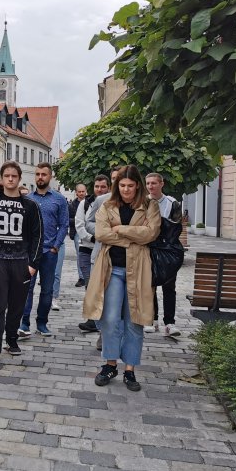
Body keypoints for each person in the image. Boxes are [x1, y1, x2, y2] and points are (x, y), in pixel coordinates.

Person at [84, 165, 160, 392]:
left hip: (139, 270)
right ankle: (109, 364)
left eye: (130, 185)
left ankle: (130, 370)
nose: (126, 189)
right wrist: (133, 236)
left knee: (134, 320)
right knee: (109, 319)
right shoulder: (107, 205)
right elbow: (101, 234)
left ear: (138, 185)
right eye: (122, 185)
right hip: (112, 269)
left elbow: (151, 233)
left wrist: (121, 229)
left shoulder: (150, 205)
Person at [0, 162, 42, 363]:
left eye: (14, 176)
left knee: (17, 305)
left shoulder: (30, 205)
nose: (10, 179)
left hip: (21, 261)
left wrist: (33, 263)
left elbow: (37, 236)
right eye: (6, 175)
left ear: (19, 179)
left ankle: (12, 339)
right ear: (1, 178)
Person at [19, 163, 69, 339]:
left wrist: (56, 245)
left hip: (49, 251)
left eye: (44, 174)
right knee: (27, 288)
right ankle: (24, 323)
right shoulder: (27, 199)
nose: (40, 177)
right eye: (38, 174)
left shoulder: (58, 199)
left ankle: (42, 322)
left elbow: (64, 224)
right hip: (30, 252)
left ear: (50, 177)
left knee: (47, 290)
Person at [145, 172, 182, 337]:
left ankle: (170, 322)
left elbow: (176, 228)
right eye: (148, 183)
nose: (151, 186)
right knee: (149, 284)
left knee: (169, 286)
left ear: (161, 184)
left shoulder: (172, 203)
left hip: (167, 250)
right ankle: (152, 320)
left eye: (154, 183)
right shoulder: (143, 202)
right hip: (149, 247)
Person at [75, 175, 111, 323]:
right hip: (86, 248)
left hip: (103, 249)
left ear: (108, 187)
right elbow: (80, 224)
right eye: (97, 186)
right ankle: (92, 319)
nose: (99, 189)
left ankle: (98, 320)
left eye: (103, 186)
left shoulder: (111, 202)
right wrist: (93, 237)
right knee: (90, 284)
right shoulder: (85, 203)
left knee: (103, 286)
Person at [69, 184, 88, 287]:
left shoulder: (91, 202)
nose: (81, 193)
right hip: (77, 232)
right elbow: (68, 219)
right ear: (76, 192)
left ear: (86, 191)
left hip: (89, 232)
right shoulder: (72, 205)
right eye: (79, 191)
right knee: (80, 255)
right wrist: (78, 221)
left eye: (83, 191)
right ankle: (82, 277)